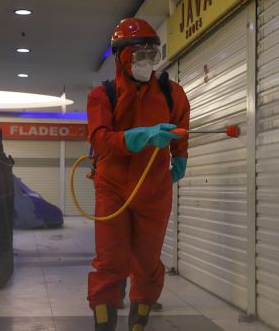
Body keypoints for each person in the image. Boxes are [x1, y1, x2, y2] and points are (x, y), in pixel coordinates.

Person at [86, 17, 190, 331]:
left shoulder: (172, 93)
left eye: (152, 54)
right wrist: (139, 136)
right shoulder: (102, 96)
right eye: (139, 54)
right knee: (111, 261)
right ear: (121, 56)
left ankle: (138, 324)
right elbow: (99, 139)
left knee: (147, 262)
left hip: (154, 188)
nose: (147, 61)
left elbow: (181, 132)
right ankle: (104, 324)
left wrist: (179, 161)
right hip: (112, 187)